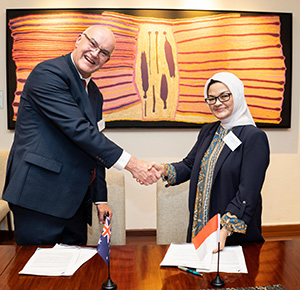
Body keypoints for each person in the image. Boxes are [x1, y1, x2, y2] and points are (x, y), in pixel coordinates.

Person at [2, 25, 160, 245]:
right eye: (93, 44)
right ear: (78, 40)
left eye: (104, 52)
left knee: (75, 272)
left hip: (74, 201)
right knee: (37, 275)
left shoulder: (94, 93)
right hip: (39, 197)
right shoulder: (49, 74)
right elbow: (80, 131)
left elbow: (94, 146)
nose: (95, 54)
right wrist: (133, 164)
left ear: (107, 60)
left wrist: (100, 199)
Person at [152, 72, 270, 251]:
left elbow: (248, 192)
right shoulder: (208, 130)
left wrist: (225, 229)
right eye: (212, 98)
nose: (217, 103)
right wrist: (164, 169)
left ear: (237, 95)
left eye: (224, 96)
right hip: (201, 227)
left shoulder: (254, 137)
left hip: (231, 234)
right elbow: (190, 165)